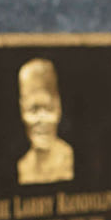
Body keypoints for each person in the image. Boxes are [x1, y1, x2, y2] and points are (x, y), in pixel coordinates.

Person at [15, 57, 74, 185]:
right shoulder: (23, 165)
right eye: (33, 109)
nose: (41, 119)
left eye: (48, 108)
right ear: (22, 111)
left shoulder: (69, 156)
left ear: (58, 108)